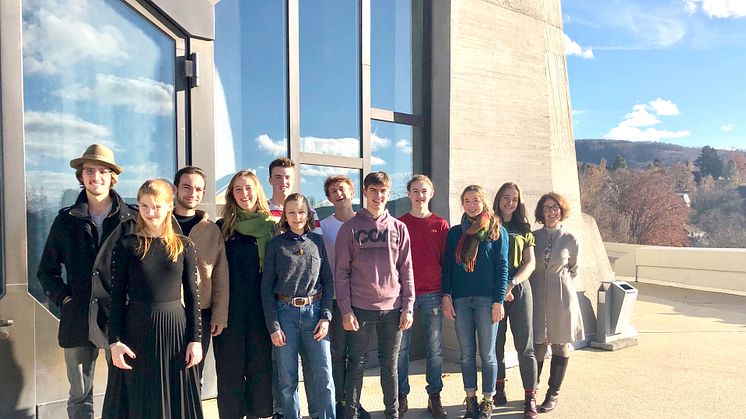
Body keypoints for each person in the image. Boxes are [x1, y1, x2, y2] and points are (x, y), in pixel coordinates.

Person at [37, 144, 137, 419]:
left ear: (112, 177)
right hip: (78, 319)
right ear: (81, 176)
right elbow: (46, 271)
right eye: (89, 171)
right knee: (80, 397)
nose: (96, 177)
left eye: (103, 171)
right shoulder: (66, 220)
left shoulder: (132, 219)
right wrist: (64, 299)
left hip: (120, 319)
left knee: (123, 391)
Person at [103, 178, 203, 418]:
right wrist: (114, 341)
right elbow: (116, 298)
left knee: (176, 398)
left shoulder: (184, 246)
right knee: (139, 398)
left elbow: (192, 297)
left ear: (170, 206)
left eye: (157, 206)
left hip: (175, 333)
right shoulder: (126, 246)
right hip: (136, 330)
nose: (151, 212)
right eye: (145, 205)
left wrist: (196, 339)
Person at [335, 171, 415, 419]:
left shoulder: (399, 228)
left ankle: (392, 413)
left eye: (383, 191)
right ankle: (352, 414)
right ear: (365, 193)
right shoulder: (350, 228)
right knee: (356, 364)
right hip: (360, 308)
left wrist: (408, 307)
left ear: (388, 194)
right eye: (373, 190)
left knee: (389, 366)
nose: (378, 196)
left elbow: (407, 269)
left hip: (393, 309)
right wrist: (346, 311)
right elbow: (341, 272)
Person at [262, 193, 335, 419]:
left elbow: (328, 281)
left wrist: (326, 316)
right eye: (291, 212)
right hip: (285, 316)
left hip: (314, 315)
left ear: (308, 214)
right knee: (287, 379)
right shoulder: (276, 245)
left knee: (323, 376)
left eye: (301, 211)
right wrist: (274, 326)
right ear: (285, 215)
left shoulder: (317, 242)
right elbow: (266, 288)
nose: (296, 217)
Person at [442, 185, 509, 419]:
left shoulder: (496, 230)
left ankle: (488, 399)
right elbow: (448, 268)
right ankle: (470, 399)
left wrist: (499, 301)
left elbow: (502, 268)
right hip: (460, 300)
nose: (472, 205)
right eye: (467, 200)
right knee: (467, 354)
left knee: (488, 354)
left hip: (486, 301)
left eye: (476, 200)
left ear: (483, 202)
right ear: (462, 203)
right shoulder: (454, 233)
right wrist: (446, 296)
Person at [214, 171, 277, 419]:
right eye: (238, 189)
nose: (244, 194)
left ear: (257, 191)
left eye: (248, 188)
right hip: (230, 310)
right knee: (229, 372)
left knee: (260, 370)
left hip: (263, 309)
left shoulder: (273, 227)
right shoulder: (223, 228)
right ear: (232, 194)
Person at [267, 157, 320, 419]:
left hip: (308, 302)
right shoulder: (263, 210)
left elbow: (314, 250)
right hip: (276, 295)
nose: (283, 181)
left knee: (313, 369)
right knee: (283, 368)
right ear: (271, 180)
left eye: (287, 177)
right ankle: (282, 411)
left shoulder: (311, 215)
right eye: (278, 177)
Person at [396, 175, 449, 419]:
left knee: (435, 348)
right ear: (408, 194)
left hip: (433, 294)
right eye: (415, 191)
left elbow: (445, 263)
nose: (420, 195)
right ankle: (401, 395)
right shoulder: (400, 224)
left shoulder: (440, 225)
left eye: (424, 190)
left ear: (432, 193)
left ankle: (434, 395)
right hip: (404, 295)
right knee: (401, 348)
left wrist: (446, 294)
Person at [319, 175, 372, 419]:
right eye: (333, 191)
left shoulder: (365, 222)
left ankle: (354, 403)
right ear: (328, 197)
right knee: (338, 353)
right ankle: (340, 402)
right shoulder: (323, 226)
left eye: (342, 189)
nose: (338, 193)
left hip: (361, 297)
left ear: (352, 192)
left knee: (357, 355)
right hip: (335, 298)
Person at [529, 192, 584, 413]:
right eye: (547, 208)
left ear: (561, 211)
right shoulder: (532, 237)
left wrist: (559, 286)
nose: (551, 211)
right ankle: (531, 392)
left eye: (555, 208)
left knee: (560, 345)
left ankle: (553, 393)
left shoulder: (571, 239)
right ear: (541, 212)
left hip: (561, 297)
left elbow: (574, 270)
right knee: (538, 346)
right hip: (536, 295)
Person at [173, 166, 229, 379]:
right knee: (167, 375)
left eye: (198, 189)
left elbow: (220, 276)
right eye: (186, 187)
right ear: (175, 189)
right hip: (167, 312)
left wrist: (219, 315)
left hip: (201, 315)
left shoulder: (211, 230)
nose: (192, 193)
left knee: (194, 375)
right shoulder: (162, 225)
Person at [491, 182, 538, 419]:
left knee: (525, 346)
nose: (510, 202)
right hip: (495, 292)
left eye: (515, 199)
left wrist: (512, 283)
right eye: (506, 197)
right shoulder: (488, 224)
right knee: (495, 345)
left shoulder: (524, 228)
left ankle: (530, 396)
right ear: (498, 199)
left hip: (519, 288)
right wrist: (500, 288)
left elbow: (531, 263)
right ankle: (498, 389)